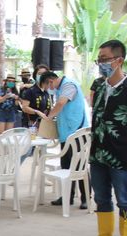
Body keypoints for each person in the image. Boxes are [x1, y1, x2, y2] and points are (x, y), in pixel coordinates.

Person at [81, 39, 127, 236]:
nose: (101, 63)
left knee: (125, 200)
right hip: (98, 152)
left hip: (121, 155)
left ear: (119, 60)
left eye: (105, 59)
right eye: (99, 60)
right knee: (101, 197)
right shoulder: (99, 86)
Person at [44, 71, 89, 209]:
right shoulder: (61, 88)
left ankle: (85, 197)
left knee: (80, 166)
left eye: (47, 86)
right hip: (67, 133)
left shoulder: (68, 85)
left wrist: (49, 117)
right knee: (66, 166)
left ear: (51, 81)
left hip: (76, 132)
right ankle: (67, 196)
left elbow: (61, 104)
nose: (48, 89)